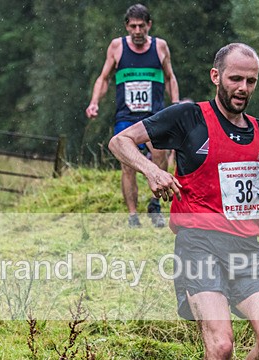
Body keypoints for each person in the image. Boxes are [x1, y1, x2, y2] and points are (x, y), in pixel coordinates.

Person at [109, 43, 259, 360]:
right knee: (221, 344)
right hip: (198, 246)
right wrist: (152, 170)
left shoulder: (258, 130)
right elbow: (120, 141)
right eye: (235, 78)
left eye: (250, 81)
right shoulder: (189, 117)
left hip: (245, 249)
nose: (243, 88)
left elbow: (250, 195)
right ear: (216, 76)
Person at [87, 4, 179, 228]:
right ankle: (132, 215)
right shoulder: (117, 47)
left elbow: (170, 77)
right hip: (126, 117)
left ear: (149, 25)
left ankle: (155, 205)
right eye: (133, 26)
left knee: (159, 158)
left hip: (154, 116)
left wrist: (176, 105)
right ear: (127, 26)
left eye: (142, 26)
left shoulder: (160, 47)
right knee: (127, 165)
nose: (138, 31)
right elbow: (104, 78)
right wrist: (94, 102)